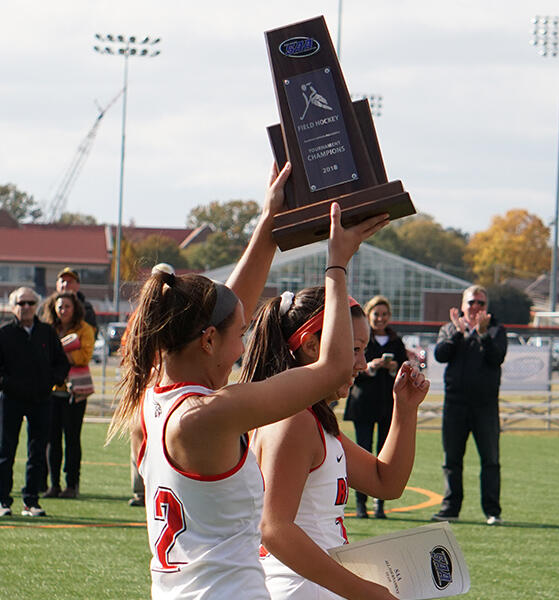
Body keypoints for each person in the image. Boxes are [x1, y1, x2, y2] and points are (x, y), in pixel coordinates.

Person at [107, 162, 389, 599]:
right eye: (240, 336)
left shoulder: (154, 393)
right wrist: (337, 265)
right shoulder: (207, 415)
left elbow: (224, 306)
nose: (244, 348)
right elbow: (331, 369)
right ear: (207, 342)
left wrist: (270, 221)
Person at [241, 288, 429, 600]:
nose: (363, 363)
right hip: (299, 589)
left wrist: (405, 410)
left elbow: (386, 482)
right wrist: (365, 592)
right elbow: (274, 528)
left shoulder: (311, 418)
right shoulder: (294, 421)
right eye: (354, 349)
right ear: (312, 346)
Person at [431, 284, 507, 526]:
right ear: (462, 306)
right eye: (471, 302)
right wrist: (457, 332)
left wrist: (482, 334)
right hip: (455, 405)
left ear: (487, 307)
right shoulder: (449, 328)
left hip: (485, 407)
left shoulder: (496, 330)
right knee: (451, 459)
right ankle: (450, 508)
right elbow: (441, 354)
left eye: (480, 303)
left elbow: (497, 358)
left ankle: (492, 511)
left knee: (490, 460)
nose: (475, 307)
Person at [0, 287, 70, 517]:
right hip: (10, 400)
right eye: (21, 303)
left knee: (37, 452)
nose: (26, 307)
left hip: (41, 400)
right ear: (13, 307)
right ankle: (3, 501)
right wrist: (8, 384)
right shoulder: (4, 334)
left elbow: (61, 363)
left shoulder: (47, 333)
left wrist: (51, 381)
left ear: (37, 305)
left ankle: (31, 501)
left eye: (31, 303)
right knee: (5, 452)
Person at [343, 294, 409, 518]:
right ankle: (360, 504)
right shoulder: (361, 339)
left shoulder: (396, 341)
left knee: (385, 453)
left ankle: (380, 504)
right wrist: (371, 366)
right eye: (376, 314)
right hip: (363, 404)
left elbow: (402, 370)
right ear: (369, 315)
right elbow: (350, 370)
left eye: (384, 314)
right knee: (363, 453)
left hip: (386, 406)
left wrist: (392, 367)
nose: (380, 318)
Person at [41, 290, 95, 499]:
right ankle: (53, 485)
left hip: (76, 393)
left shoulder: (85, 329)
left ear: (75, 308)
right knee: (52, 440)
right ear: (54, 308)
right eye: (60, 306)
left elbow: (84, 356)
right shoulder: (48, 329)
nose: (63, 310)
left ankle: (71, 485)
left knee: (72, 439)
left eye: (67, 306)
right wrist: (63, 352)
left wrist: (59, 352)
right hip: (53, 391)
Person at [53, 267, 98, 335]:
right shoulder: (46, 307)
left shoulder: (86, 310)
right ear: (57, 284)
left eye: (70, 282)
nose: (65, 285)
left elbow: (92, 335)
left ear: (78, 285)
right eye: (62, 281)